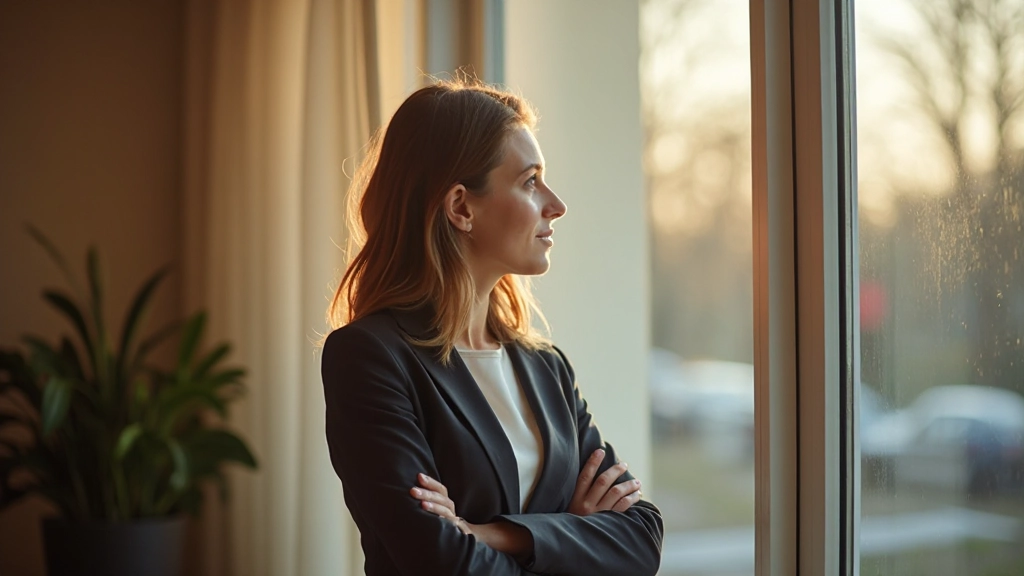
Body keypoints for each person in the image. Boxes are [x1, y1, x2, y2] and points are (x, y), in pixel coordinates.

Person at [320, 78, 663, 576]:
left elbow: (641, 539)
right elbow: (436, 560)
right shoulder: (370, 357)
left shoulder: (547, 368)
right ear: (461, 207)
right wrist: (569, 531)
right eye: (530, 181)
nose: (556, 204)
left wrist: (491, 533)